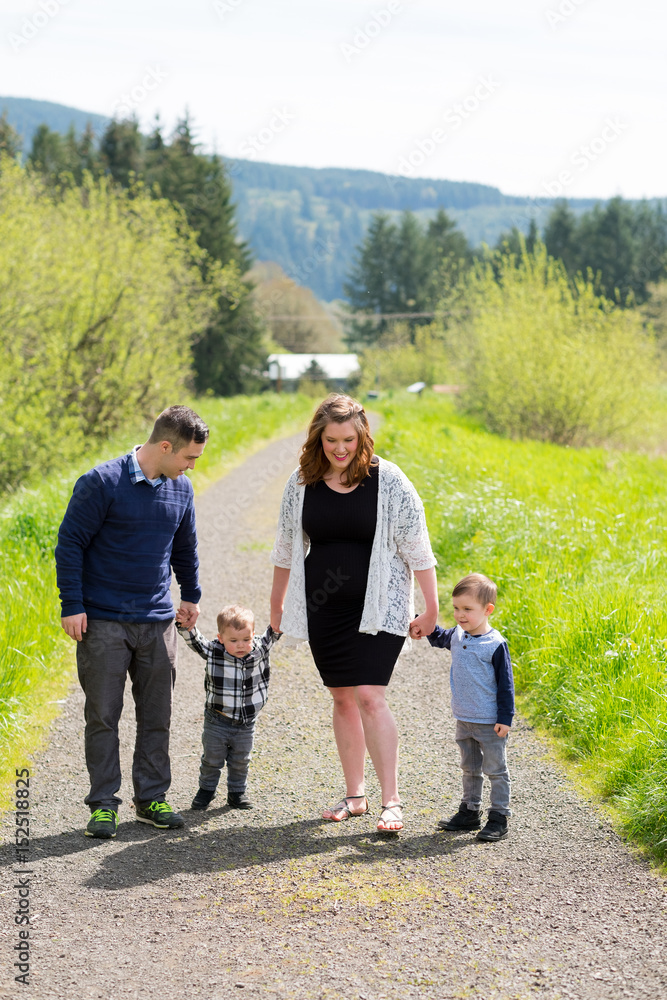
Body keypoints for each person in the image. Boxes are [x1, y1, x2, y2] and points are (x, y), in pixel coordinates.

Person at [270, 394, 438, 833]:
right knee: (342, 698)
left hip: (380, 608)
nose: (340, 449)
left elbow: (417, 547)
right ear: (317, 438)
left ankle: (392, 801)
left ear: (361, 435)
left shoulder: (389, 480)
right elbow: (287, 547)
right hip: (325, 608)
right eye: (331, 440)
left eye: (348, 439)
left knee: (369, 696)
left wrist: (431, 607)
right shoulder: (301, 481)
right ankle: (355, 796)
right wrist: (277, 604)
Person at [55, 404, 209, 840]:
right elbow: (69, 546)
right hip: (103, 620)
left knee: (157, 714)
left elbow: (186, 548)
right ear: (165, 446)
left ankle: (151, 800)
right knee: (103, 714)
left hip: (157, 621)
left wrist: (191, 596)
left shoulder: (182, 489)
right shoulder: (101, 483)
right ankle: (103, 806)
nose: (192, 465)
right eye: (188, 457)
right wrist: (72, 604)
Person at [411, 572, 514, 842]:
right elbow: (439, 637)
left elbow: (506, 686)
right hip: (464, 718)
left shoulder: (495, 645)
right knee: (469, 768)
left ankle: (499, 817)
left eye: (468, 609)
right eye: (456, 608)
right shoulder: (458, 635)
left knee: (495, 770)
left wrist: (506, 717)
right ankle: (470, 811)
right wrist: (425, 626)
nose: (460, 615)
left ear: (487, 610)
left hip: (490, 722)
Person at [175, 604, 282, 811]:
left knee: (241, 760)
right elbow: (195, 641)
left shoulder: (259, 649)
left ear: (253, 635)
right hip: (218, 720)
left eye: (246, 639)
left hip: (246, 723)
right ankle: (206, 790)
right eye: (233, 641)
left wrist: (284, 610)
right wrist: (185, 625)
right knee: (212, 759)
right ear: (221, 638)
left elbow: (275, 630)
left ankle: (236, 793)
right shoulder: (215, 651)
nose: (241, 645)